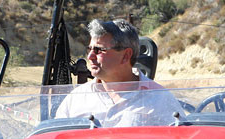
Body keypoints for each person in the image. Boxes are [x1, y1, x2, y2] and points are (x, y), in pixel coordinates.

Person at [55, 18, 183, 125]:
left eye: (99, 50)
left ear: (126, 55)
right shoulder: (76, 98)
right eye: (90, 50)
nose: (90, 57)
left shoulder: (159, 99)